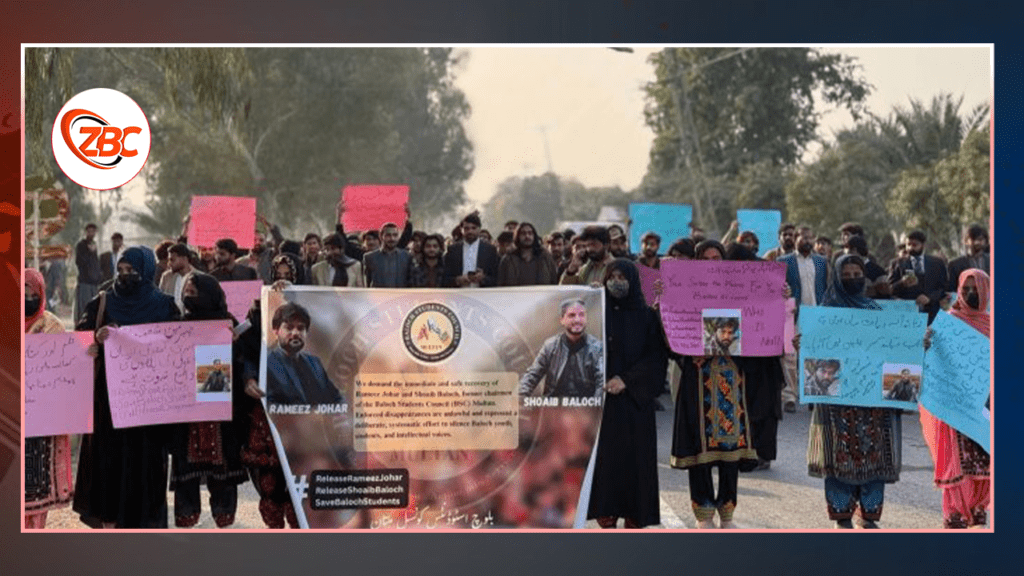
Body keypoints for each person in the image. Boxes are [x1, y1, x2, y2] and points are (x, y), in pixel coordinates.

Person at [73, 246, 181, 528]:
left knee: (146, 461)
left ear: (145, 270)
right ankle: (110, 521)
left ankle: (144, 524)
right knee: (110, 460)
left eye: (132, 270)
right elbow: (80, 338)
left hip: (149, 404)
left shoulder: (165, 306)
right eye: (120, 270)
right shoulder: (102, 302)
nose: (124, 276)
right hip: (109, 402)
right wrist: (94, 339)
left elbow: (180, 344)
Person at [802, 254, 902, 529]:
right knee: (838, 452)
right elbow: (814, 352)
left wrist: (917, 345)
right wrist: (804, 344)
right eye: (846, 274)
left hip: (872, 400)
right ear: (836, 277)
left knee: (875, 452)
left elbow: (897, 347)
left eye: (857, 274)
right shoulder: (825, 313)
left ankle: (868, 514)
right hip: (838, 400)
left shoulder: (876, 311)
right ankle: (841, 514)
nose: (852, 278)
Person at [669, 242, 762, 528]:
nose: (712, 262)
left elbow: (762, 325)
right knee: (699, 448)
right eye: (705, 258)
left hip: (731, 380)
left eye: (717, 257)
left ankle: (728, 511)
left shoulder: (741, 292)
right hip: (697, 379)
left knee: (730, 450)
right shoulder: (683, 292)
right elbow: (670, 336)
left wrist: (779, 299)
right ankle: (704, 513)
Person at [587, 259, 667, 528]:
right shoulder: (597, 313)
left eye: (623, 277)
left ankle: (635, 515)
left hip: (635, 401)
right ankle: (606, 512)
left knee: (636, 460)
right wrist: (588, 298)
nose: (617, 282)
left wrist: (627, 380)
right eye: (612, 277)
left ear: (633, 280)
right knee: (607, 460)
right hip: (603, 401)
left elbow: (656, 359)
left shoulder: (646, 316)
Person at [170, 272, 248, 528]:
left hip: (220, 412)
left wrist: (235, 343)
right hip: (187, 411)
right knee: (186, 467)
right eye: (186, 293)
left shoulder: (227, 325)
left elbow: (246, 361)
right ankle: (187, 518)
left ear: (209, 295)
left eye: (194, 293)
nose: (189, 297)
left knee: (222, 466)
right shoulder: (178, 326)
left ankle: (223, 518)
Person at [920, 268, 991, 528]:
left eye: (977, 289)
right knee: (956, 463)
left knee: (985, 462)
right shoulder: (948, 324)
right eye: (966, 289)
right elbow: (932, 365)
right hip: (953, 409)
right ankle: (956, 516)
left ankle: (978, 512)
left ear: (986, 291)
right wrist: (926, 345)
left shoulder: (994, 325)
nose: (971, 294)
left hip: (985, 407)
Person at [23, 269, 74, 528]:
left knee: (35, 486)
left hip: (41, 421)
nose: (28, 299)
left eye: (33, 294)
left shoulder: (52, 326)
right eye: (23, 294)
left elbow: (67, 369)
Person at [518, 299, 604, 398]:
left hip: (586, 406)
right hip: (553, 405)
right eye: (572, 315)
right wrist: (520, 397)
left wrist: (596, 405)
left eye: (581, 315)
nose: (577, 320)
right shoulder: (550, 346)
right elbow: (532, 375)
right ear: (562, 320)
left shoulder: (597, 348)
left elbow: (601, 381)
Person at [265, 302, 345, 406]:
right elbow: (269, 406)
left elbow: (337, 398)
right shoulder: (267, 363)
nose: (296, 333)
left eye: (300, 328)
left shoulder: (315, 363)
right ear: (276, 330)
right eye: (289, 328)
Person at [888, 230, 949, 324]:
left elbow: (944, 288)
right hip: (906, 315)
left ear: (923, 245)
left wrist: (929, 298)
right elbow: (890, 290)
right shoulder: (897, 263)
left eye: (915, 245)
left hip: (932, 314)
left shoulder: (937, 263)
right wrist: (902, 283)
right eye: (908, 244)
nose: (910, 248)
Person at [443, 212, 500, 288]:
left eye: (473, 228)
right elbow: (445, 278)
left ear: (479, 229)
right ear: (461, 230)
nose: (470, 231)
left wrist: (483, 278)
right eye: (466, 228)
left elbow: (497, 278)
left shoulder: (489, 249)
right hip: (458, 292)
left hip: (483, 293)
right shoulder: (453, 249)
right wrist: (458, 280)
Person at [497, 222, 558, 286]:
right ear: (518, 236)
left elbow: (554, 282)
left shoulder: (545, 258)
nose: (527, 236)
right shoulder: (508, 260)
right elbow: (501, 284)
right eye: (523, 233)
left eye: (530, 233)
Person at [362, 222, 412, 287]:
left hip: (401, 293)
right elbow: (367, 283)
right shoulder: (369, 258)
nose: (392, 238)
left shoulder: (406, 256)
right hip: (378, 293)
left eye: (395, 235)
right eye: (388, 235)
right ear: (381, 236)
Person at [946, 224, 989, 291]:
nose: (977, 242)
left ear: (986, 241)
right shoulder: (955, 265)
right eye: (973, 239)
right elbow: (952, 291)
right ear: (966, 241)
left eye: (980, 239)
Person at [74, 223, 103, 323]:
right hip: (85, 282)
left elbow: (95, 264)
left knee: (94, 308)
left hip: (94, 283)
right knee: (84, 307)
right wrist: (90, 252)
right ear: (86, 232)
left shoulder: (94, 245)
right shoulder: (81, 245)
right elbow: (79, 262)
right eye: (89, 231)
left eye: (93, 231)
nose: (91, 234)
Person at [158, 243, 194, 314]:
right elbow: (160, 301)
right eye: (168, 260)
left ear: (184, 259)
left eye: (172, 260)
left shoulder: (200, 277)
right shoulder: (166, 276)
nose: (169, 263)